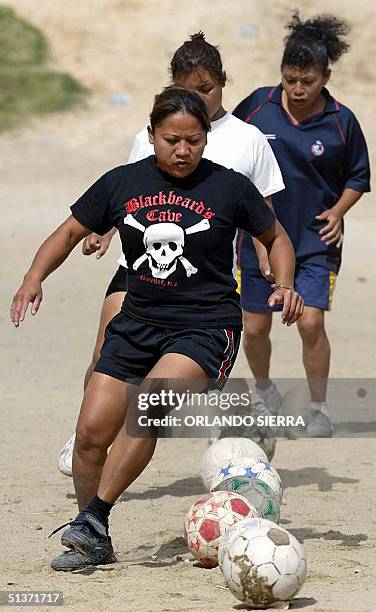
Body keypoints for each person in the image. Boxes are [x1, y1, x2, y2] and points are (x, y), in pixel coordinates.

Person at [11, 86, 304, 571]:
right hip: (137, 323)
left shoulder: (229, 187)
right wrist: (32, 278)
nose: (183, 150)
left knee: (148, 404)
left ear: (206, 138)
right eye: (172, 139)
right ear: (151, 136)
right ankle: (93, 535)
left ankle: (94, 517)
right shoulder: (122, 183)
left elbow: (276, 237)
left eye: (193, 140)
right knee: (88, 435)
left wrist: (285, 283)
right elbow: (67, 233)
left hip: (207, 329)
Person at [58, 32, 286, 476]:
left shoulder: (247, 139)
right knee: (105, 351)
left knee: (165, 385)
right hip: (135, 267)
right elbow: (124, 193)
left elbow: (263, 213)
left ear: (222, 83)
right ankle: (88, 432)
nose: (196, 96)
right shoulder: (155, 129)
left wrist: (264, 256)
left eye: (205, 88)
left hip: (200, 272)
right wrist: (103, 233)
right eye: (186, 87)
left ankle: (226, 419)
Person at [233, 13, 371, 437]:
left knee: (310, 323)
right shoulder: (258, 106)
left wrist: (339, 211)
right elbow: (225, 147)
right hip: (258, 239)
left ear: (325, 75)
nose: (297, 89)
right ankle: (264, 391)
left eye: (307, 80)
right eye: (290, 78)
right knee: (255, 327)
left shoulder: (341, 121)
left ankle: (318, 407)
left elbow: (359, 177)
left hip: (314, 242)